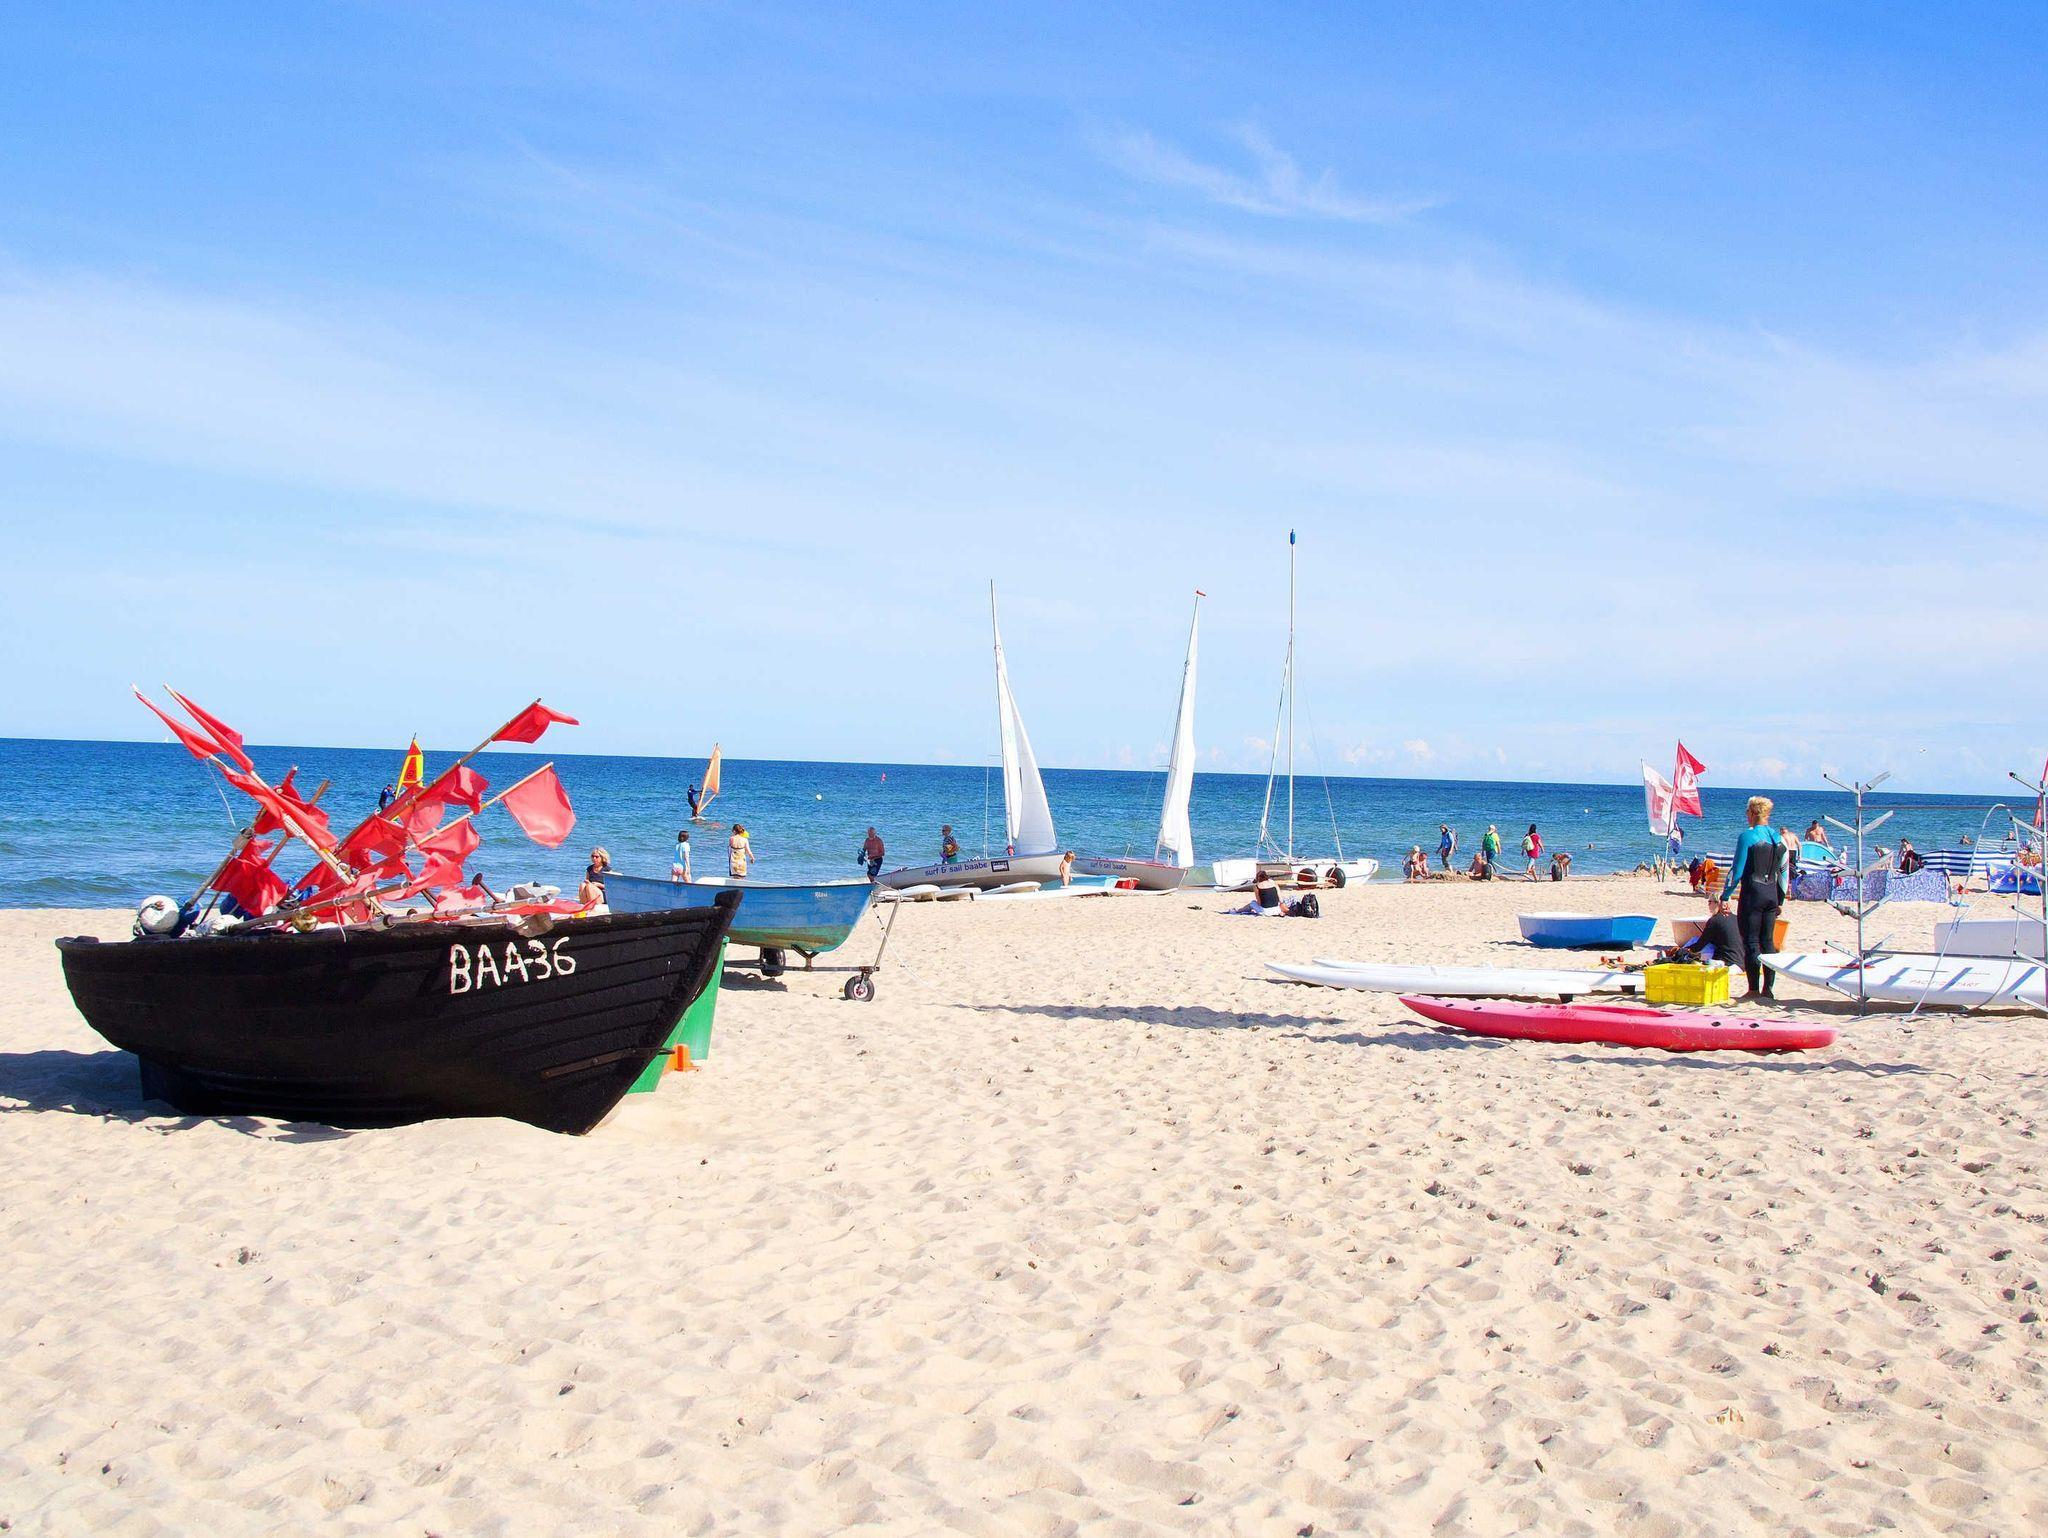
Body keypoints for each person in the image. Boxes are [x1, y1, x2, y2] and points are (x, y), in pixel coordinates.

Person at [1722, 795, 1786, 999]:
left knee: (1750, 942)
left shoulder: (1747, 837)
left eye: (1747, 812)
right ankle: (1769, 989)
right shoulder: (1778, 838)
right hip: (1772, 894)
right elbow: (1784, 872)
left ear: (1752, 813)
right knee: (1768, 942)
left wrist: (1725, 895)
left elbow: (1736, 871)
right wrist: (1780, 900)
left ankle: (1753, 990)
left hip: (1753, 894)